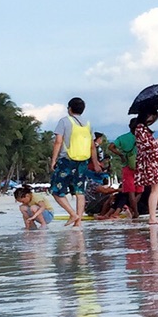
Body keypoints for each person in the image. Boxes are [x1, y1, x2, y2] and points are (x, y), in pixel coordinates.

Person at [49, 97, 96, 226]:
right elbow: (92, 146)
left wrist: (53, 160)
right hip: (82, 160)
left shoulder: (64, 121)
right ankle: (78, 221)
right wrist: (95, 163)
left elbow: (58, 141)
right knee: (79, 191)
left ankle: (72, 214)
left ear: (69, 108)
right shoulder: (88, 123)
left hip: (67, 159)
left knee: (56, 190)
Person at [130, 107, 158, 224]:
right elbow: (147, 146)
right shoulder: (140, 129)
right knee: (156, 190)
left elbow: (153, 147)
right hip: (152, 163)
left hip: (157, 162)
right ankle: (152, 217)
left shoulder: (144, 129)